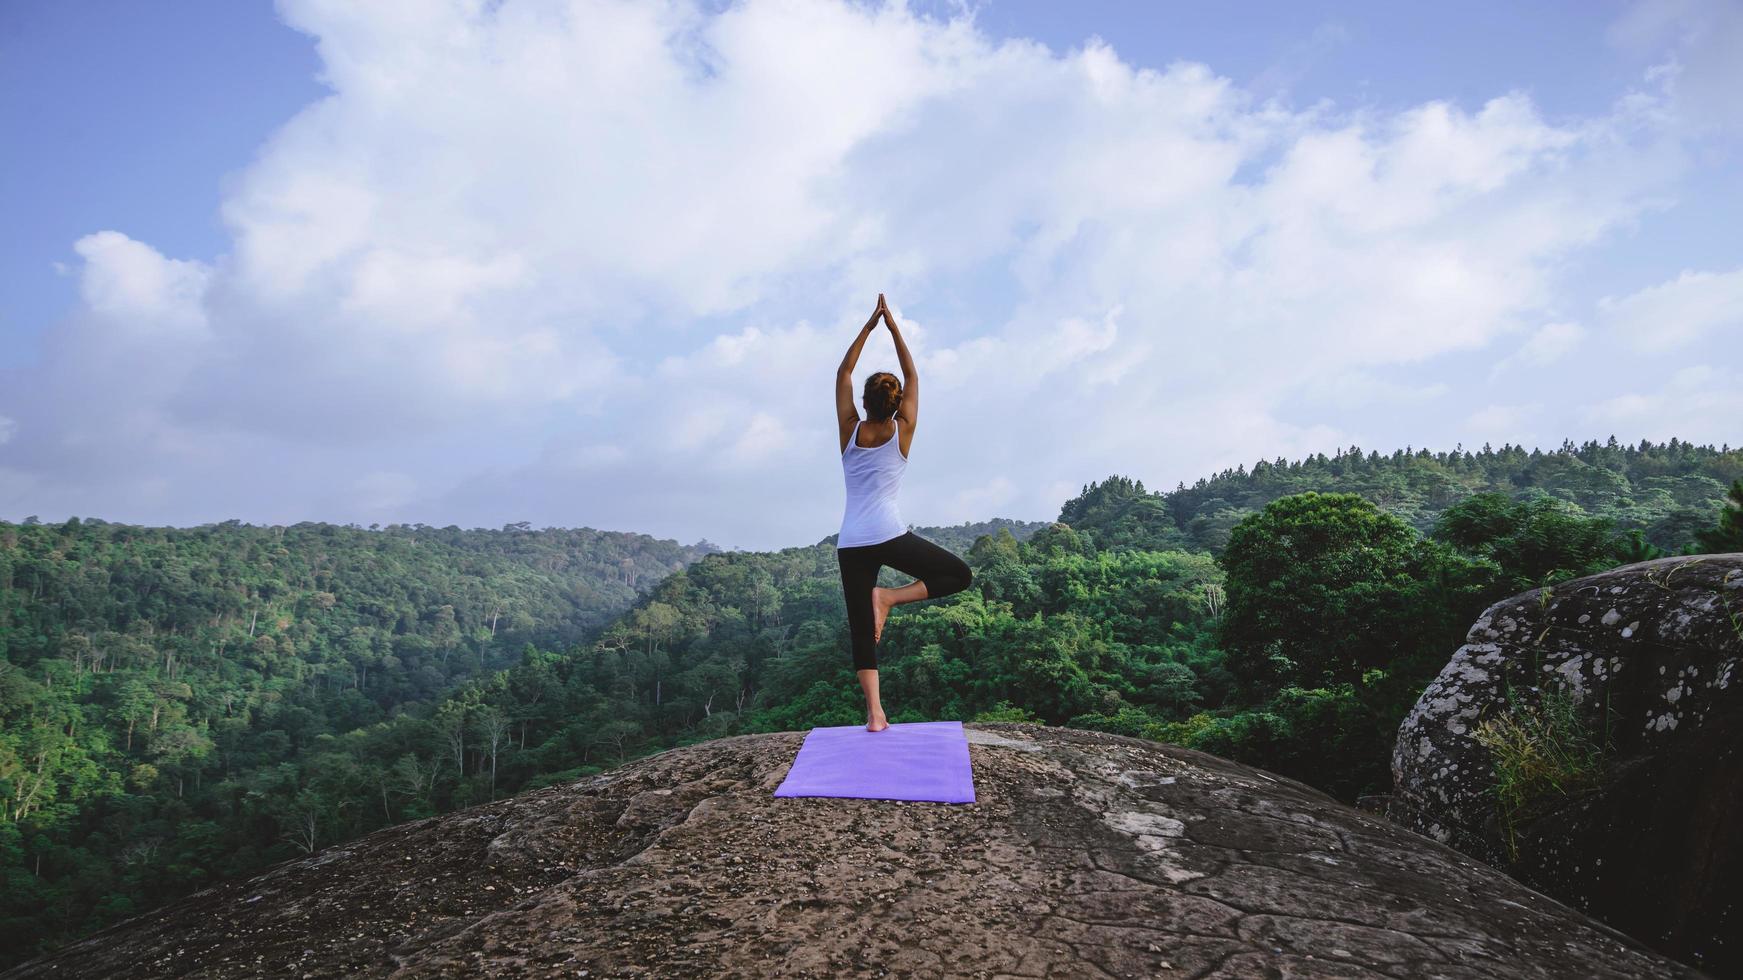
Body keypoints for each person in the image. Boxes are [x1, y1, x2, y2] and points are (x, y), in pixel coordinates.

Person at [834, 293, 974, 732]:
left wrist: (869, 326)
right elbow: (913, 373)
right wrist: (893, 326)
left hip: (852, 541)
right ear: (896, 405)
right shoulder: (904, 430)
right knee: (959, 574)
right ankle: (891, 596)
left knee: (861, 627)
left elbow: (843, 372)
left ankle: (875, 714)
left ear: (866, 401)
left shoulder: (849, 430)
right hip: (889, 534)